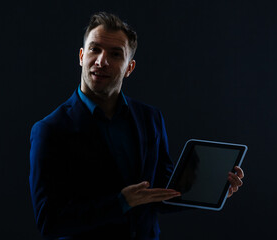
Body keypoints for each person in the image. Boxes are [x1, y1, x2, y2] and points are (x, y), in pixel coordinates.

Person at [29, 12, 244, 240]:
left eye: (115, 54)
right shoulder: (50, 130)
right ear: (82, 56)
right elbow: (49, 221)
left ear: (129, 68)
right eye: (94, 49)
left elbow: (158, 196)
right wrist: (121, 202)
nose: (102, 61)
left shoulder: (149, 118)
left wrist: (214, 191)